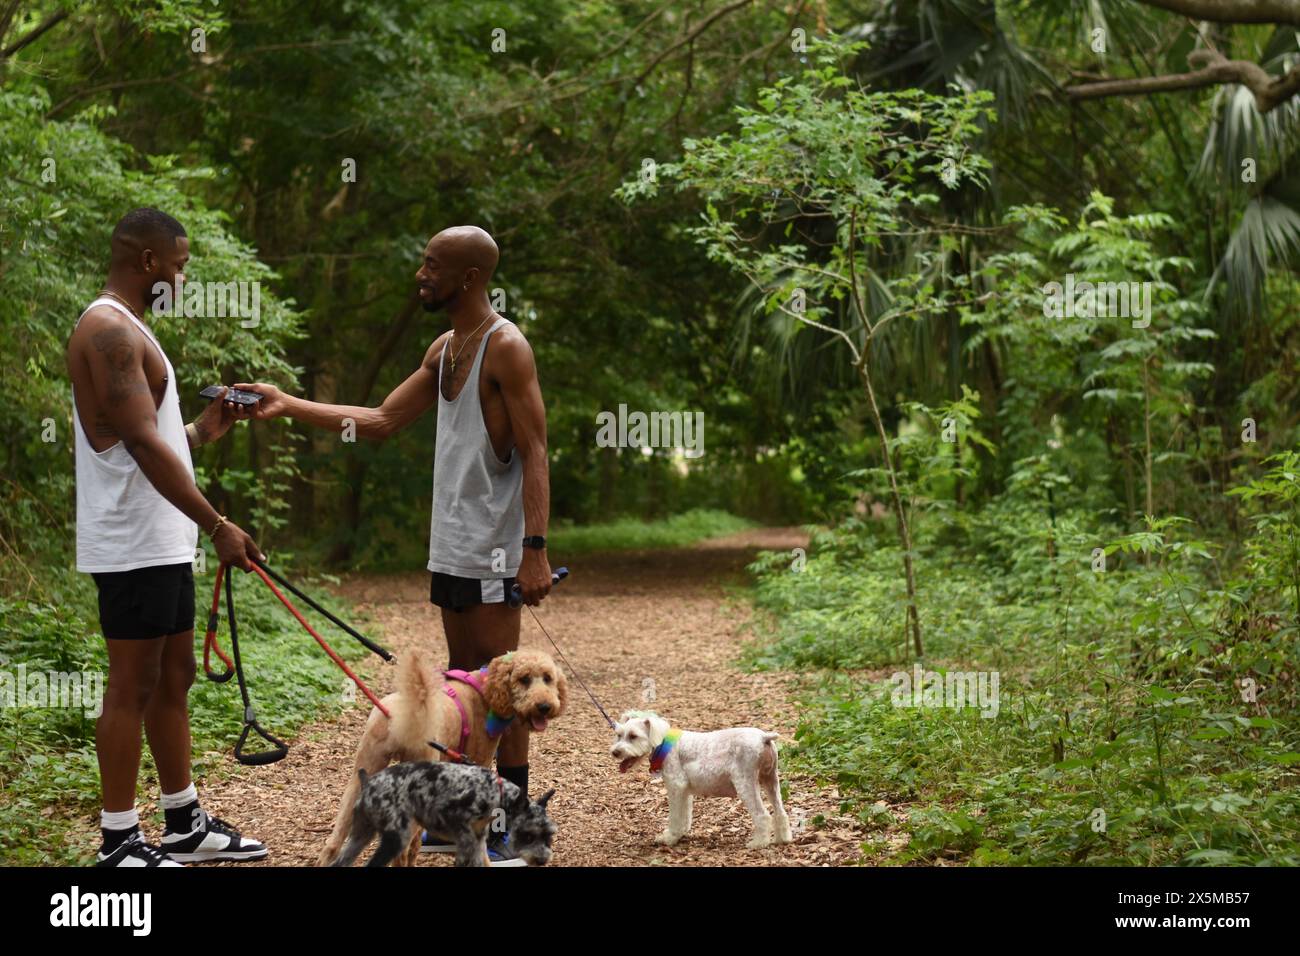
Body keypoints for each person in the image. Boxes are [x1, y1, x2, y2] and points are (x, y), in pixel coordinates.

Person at [236, 225, 552, 859]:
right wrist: (286, 403)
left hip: (496, 548)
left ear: (469, 277)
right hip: (451, 547)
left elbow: (538, 449)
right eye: (422, 262)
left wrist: (535, 547)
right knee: (468, 693)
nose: (421, 275)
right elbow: (379, 422)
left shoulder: (507, 347)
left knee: (507, 699)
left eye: (433, 265)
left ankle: (513, 828)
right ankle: (464, 814)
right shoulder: (445, 348)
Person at [66, 207, 268, 867]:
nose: (182, 278)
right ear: (148, 261)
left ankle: (182, 822)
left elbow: (153, 442)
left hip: (162, 536)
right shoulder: (106, 330)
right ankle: (119, 840)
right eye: (178, 266)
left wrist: (207, 429)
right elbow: (140, 446)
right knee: (131, 684)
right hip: (131, 540)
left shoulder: (130, 329)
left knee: (174, 675)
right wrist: (218, 524)